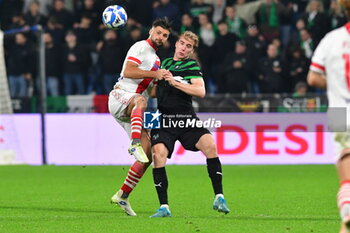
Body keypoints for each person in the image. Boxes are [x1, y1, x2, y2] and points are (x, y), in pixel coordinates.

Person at [149, 31, 230, 217]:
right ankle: (164, 207)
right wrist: (155, 81)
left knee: (210, 145)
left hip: (186, 119)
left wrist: (174, 82)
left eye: (189, 46)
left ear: (192, 50)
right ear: (176, 44)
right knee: (158, 155)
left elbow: (200, 91)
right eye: (183, 44)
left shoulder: (191, 65)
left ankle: (219, 196)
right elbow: (154, 93)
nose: (184, 48)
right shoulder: (163, 63)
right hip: (165, 120)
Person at [108, 17, 171, 216]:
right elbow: (128, 71)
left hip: (133, 109)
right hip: (121, 96)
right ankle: (134, 143)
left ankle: (122, 196)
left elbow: (151, 92)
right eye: (159, 33)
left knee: (148, 156)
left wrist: (165, 81)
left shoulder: (157, 59)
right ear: (151, 31)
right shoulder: (141, 46)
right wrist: (155, 74)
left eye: (165, 36)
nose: (161, 37)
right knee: (140, 102)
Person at [307, 1, 350, 232]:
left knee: (346, 162)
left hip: (339, 110)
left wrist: (335, 84)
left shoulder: (331, 39)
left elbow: (312, 79)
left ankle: (347, 209)